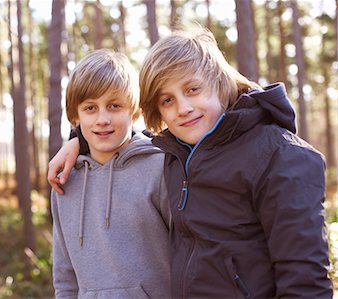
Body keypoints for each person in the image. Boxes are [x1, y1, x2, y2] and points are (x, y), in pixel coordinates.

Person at [48, 27, 333, 298]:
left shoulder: (280, 156)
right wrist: (79, 141)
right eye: (167, 100)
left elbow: (305, 281)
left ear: (220, 83)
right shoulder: (180, 156)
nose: (183, 108)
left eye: (193, 89)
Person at [50, 48, 171, 299]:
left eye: (114, 106)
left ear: (134, 111)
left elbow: (190, 255)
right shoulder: (65, 181)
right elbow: (65, 277)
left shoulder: (159, 168)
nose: (102, 119)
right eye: (90, 108)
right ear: (76, 115)